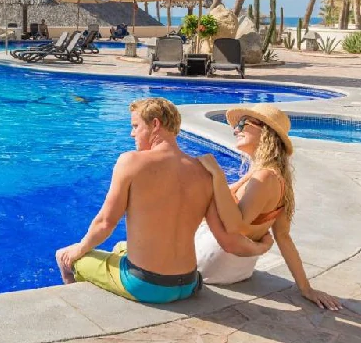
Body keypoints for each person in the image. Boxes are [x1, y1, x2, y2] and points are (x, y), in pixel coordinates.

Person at [55, 97, 269, 303]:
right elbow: (226, 240)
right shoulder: (204, 172)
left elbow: (105, 223)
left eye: (136, 126)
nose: (132, 134)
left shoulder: (130, 162)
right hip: (189, 283)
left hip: (146, 285)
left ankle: (79, 305)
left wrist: (79, 249)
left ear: (155, 124)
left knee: (65, 256)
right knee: (122, 246)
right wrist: (261, 248)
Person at [196, 104, 341, 310]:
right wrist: (305, 287)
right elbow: (283, 236)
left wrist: (217, 177)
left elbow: (236, 226)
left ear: (265, 132)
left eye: (242, 124)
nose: (235, 130)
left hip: (212, 260)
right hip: (239, 269)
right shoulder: (276, 178)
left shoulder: (263, 177)